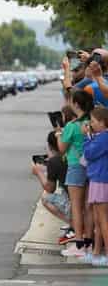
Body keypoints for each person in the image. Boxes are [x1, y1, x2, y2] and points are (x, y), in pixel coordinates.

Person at [56, 90, 94, 257]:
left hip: (75, 166)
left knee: (77, 207)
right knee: (89, 207)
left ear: (77, 104)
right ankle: (90, 242)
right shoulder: (93, 121)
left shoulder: (72, 126)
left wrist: (59, 134)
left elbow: (61, 149)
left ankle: (79, 245)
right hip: (92, 166)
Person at [82, 107, 108, 266]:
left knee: (103, 219)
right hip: (98, 179)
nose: (91, 124)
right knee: (98, 220)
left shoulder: (104, 138)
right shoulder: (101, 137)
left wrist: (86, 137)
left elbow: (89, 154)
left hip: (101, 179)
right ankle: (96, 252)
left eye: (93, 121)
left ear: (103, 122)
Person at [32, 132, 71, 237]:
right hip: (85, 204)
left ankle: (75, 225)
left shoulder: (55, 161)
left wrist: (38, 172)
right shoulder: (72, 155)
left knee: (46, 198)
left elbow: (50, 189)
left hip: (75, 206)